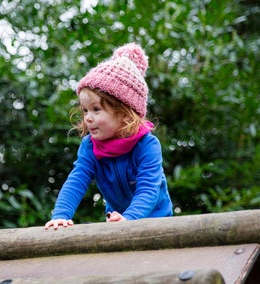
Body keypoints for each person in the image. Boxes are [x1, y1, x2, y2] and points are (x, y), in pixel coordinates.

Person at [45, 43, 173, 230]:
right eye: (85, 110)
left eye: (96, 109)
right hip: (117, 222)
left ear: (124, 113)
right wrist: (61, 215)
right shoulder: (90, 146)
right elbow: (77, 180)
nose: (88, 117)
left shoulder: (147, 145)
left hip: (156, 221)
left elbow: (148, 189)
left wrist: (130, 218)